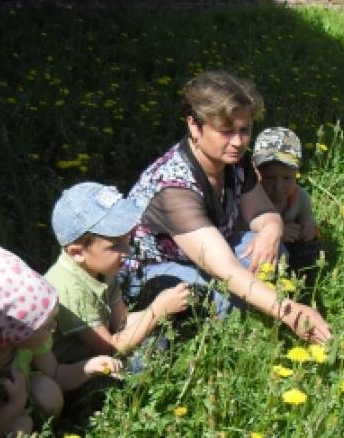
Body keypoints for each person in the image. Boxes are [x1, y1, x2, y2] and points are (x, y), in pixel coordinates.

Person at [122, 70, 331, 344]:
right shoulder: (173, 187)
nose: (238, 142)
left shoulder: (234, 161)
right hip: (156, 271)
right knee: (217, 299)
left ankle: (242, 312)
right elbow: (225, 269)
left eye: (244, 130)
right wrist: (290, 312)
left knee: (269, 250)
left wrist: (271, 229)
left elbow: (262, 212)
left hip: (212, 256)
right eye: (226, 131)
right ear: (194, 127)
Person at [0, 245, 123, 438]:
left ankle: (43, 432)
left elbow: (55, 373)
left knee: (47, 392)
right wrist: (15, 403)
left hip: (19, 401)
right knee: (20, 426)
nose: (54, 327)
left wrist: (89, 367)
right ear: (3, 340)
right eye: (45, 325)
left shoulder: (29, 344)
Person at [45, 182, 190, 366]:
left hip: (103, 346)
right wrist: (157, 311)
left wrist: (163, 308)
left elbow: (120, 323)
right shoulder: (69, 291)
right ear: (77, 253)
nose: (128, 251)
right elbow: (110, 349)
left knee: (159, 329)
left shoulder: (102, 268)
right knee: (146, 355)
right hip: (75, 370)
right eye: (115, 245)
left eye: (127, 241)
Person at [252, 126, 324, 288]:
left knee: (311, 248)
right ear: (255, 171)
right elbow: (241, 227)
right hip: (261, 248)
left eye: (286, 178)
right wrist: (278, 232)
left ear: (297, 172)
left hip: (291, 247)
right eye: (270, 178)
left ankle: (300, 281)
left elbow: (308, 220)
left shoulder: (300, 197)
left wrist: (308, 228)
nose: (278, 186)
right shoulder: (251, 198)